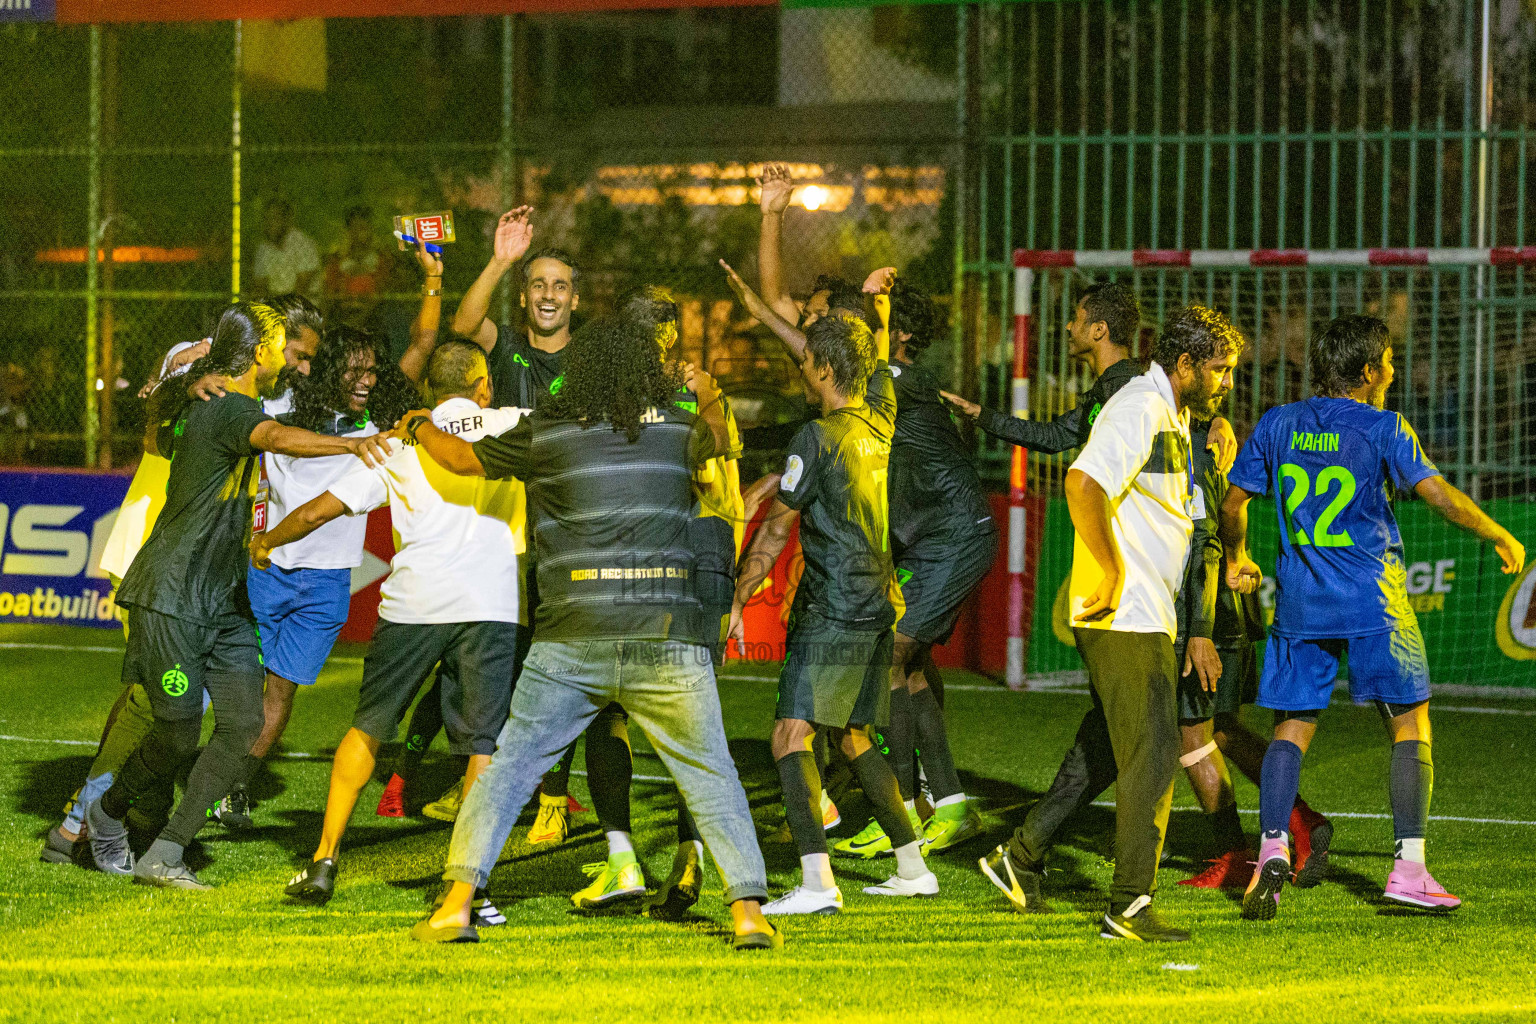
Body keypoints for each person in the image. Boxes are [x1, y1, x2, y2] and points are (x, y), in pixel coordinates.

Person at [400, 315, 778, 951]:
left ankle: (455, 906)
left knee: (510, 769)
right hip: (667, 635)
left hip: (572, 638)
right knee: (712, 774)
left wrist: (417, 424)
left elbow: (459, 458)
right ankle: (748, 916)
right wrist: (708, 392)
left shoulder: (545, 431)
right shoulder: (682, 433)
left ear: (582, 370)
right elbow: (718, 447)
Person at [1222, 314, 1527, 920]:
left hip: (1301, 603)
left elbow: (1234, 502)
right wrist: (1499, 533)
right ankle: (1409, 870)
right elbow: (1437, 494)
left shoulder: (1277, 423)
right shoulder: (1384, 427)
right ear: (1366, 372)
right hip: (1373, 602)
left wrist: (1237, 555)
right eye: (1387, 361)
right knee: (1410, 724)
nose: (1392, 370)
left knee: (1292, 727)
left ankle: (1272, 848)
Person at [81, 302, 390, 890]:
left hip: (224, 601)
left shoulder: (230, 398)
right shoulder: (227, 408)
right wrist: (349, 446)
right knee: (175, 729)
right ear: (259, 354)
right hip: (174, 593)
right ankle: (105, 815)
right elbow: (275, 437)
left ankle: (166, 852)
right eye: (284, 349)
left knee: (242, 724)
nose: (293, 361)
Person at [985, 305, 1241, 942]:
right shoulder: (1139, 407)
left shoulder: (1179, 417)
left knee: (1103, 749)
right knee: (1154, 755)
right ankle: (1129, 905)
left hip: (1151, 614)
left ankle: (1018, 858)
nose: (1228, 381)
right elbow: (1082, 482)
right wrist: (1107, 568)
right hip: (1123, 614)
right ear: (1184, 365)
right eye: (1220, 369)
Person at [43, 296, 323, 863]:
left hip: (213, 565)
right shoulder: (196, 364)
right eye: (294, 351)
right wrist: (179, 387)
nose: (301, 366)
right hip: (165, 549)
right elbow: (153, 422)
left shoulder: (269, 389)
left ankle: (120, 821)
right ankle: (83, 822)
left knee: (173, 706)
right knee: (155, 706)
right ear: (261, 341)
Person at [255, 340, 525, 911]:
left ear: (431, 390)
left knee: (369, 727)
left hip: (413, 604)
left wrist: (265, 543)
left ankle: (324, 860)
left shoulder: (403, 442)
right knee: (481, 747)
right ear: (485, 388)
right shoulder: (510, 423)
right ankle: (469, 883)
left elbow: (317, 511)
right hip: (492, 604)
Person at [725, 264, 939, 916]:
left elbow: (778, 526)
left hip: (837, 605)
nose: (800, 369)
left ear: (820, 368)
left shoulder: (815, 437)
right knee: (853, 735)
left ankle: (817, 883)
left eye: (807, 360)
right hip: (879, 603)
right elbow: (870, 364)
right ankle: (913, 865)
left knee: (791, 736)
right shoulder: (880, 419)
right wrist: (876, 312)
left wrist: (738, 595)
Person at [217, 326, 422, 828]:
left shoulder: (380, 426)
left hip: (327, 583)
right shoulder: (282, 403)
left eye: (373, 369)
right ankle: (198, 769)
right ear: (328, 369)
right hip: (265, 568)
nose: (367, 380)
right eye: (354, 369)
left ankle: (234, 787)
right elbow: (223, 368)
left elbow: (421, 345)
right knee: (233, 686)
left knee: (280, 692)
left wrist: (432, 279)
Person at [830, 279, 994, 859]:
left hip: (954, 535)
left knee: (892, 654)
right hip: (935, 538)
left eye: (870, 325)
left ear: (895, 335)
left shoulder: (896, 380)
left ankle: (893, 808)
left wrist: (875, 304)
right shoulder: (878, 383)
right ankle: (949, 807)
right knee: (911, 664)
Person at [1173, 415, 1332, 891]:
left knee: (1192, 733)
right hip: (1231, 606)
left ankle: (1235, 855)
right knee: (1221, 729)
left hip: (1206, 606)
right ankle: (1301, 819)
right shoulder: (1203, 431)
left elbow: (1214, 526)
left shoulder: (1184, 436)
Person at [252, 199, 321, 302]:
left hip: (302, 310)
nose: (269, 223)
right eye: (266, 219)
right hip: (273, 309)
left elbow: (301, 288)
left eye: (274, 218)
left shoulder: (304, 244)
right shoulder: (263, 249)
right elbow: (260, 286)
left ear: (286, 220)